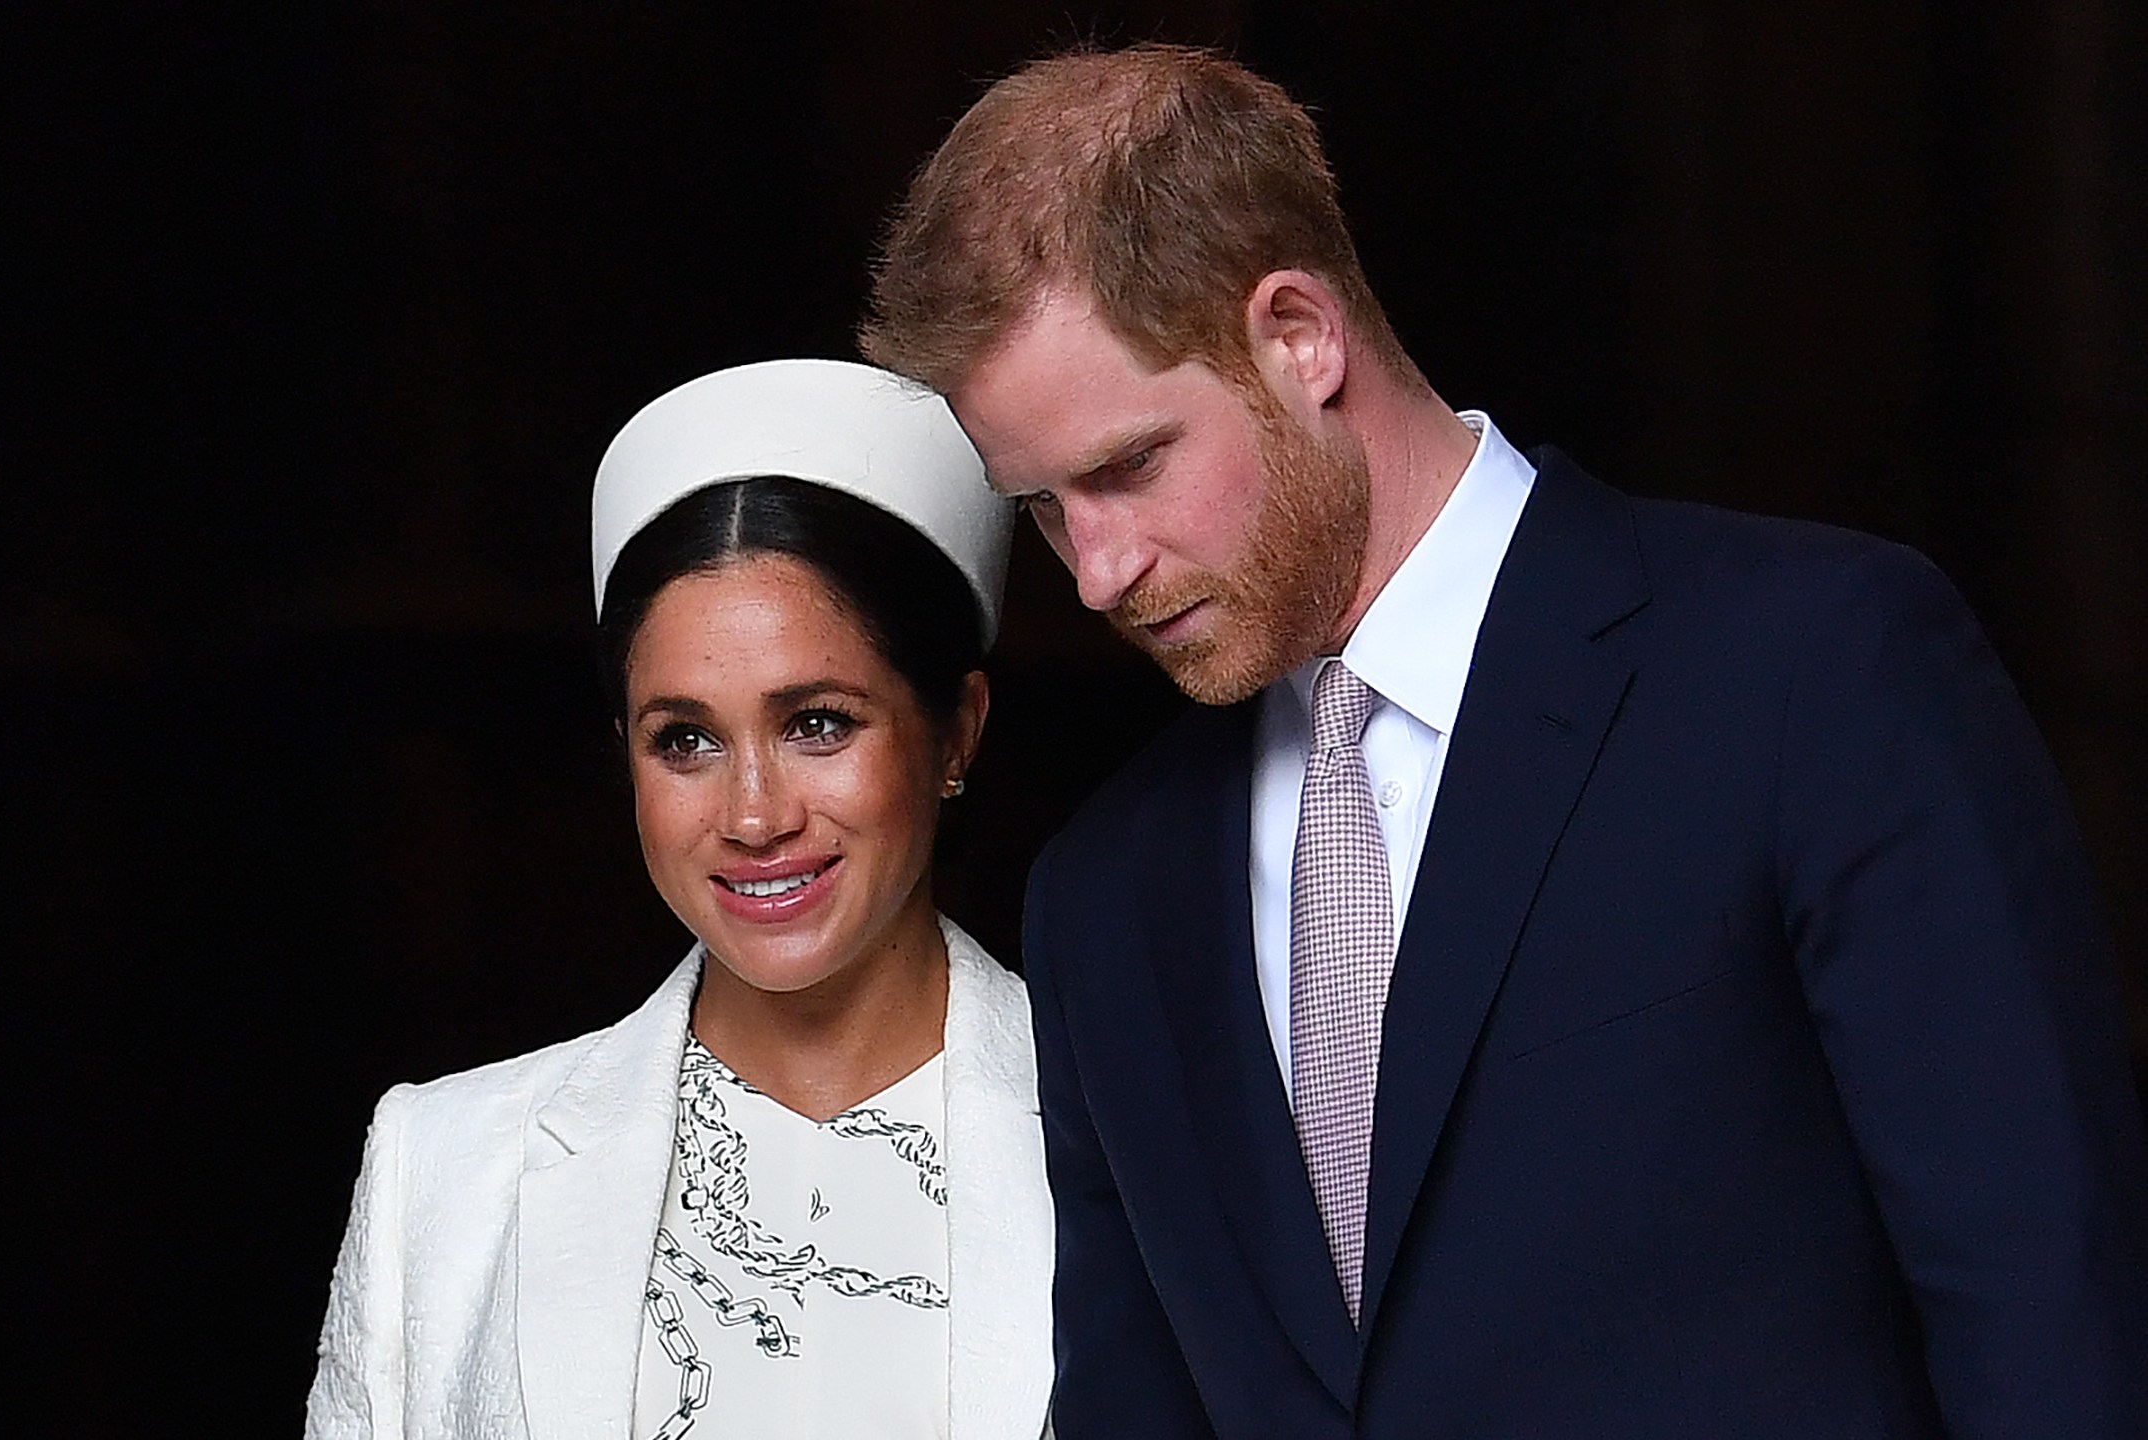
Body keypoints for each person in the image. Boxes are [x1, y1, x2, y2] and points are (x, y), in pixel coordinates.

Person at [859, 43, 2148, 1440]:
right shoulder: (1105, 898)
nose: (1095, 570)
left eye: (1124, 468)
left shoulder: (1809, 671)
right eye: (1043, 509)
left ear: (1298, 335)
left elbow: (2043, 1307)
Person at [304, 360, 1053, 1440]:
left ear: (956, 730)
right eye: (686, 740)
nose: (753, 816)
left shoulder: (1130, 1135)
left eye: (818, 723)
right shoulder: (446, 1168)